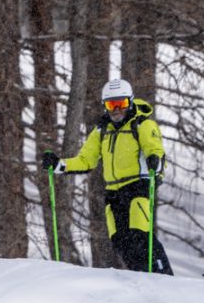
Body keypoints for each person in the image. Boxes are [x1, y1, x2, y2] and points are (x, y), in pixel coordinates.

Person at [42, 78, 174, 275]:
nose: (117, 110)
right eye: (112, 105)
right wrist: (60, 165)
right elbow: (86, 160)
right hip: (113, 191)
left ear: (130, 102)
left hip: (138, 185)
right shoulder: (102, 130)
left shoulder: (142, 125)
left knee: (140, 235)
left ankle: (162, 274)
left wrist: (155, 160)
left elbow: (154, 148)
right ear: (105, 106)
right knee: (120, 240)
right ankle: (142, 277)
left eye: (121, 104)